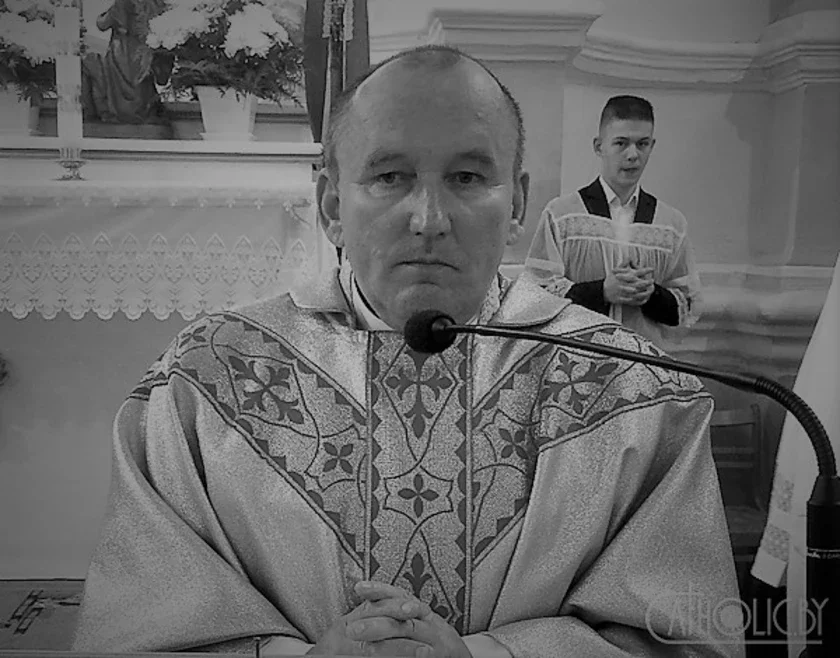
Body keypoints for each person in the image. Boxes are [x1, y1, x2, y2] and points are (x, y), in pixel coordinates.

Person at [72, 46, 741, 657]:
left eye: (468, 177)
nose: (429, 219)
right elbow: (144, 624)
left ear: (517, 205)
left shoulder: (628, 387)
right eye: (389, 176)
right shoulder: (206, 379)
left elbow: (684, 637)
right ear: (332, 205)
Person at [522, 95, 702, 348]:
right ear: (599, 147)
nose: (633, 155)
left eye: (642, 144)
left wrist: (651, 294)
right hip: (579, 359)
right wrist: (602, 291)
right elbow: (536, 298)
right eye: (621, 143)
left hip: (642, 361)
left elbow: (687, 306)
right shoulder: (563, 215)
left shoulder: (670, 225)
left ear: (652, 146)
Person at [81, 0, 172, 125]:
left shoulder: (121, 3)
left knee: (89, 63)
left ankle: (91, 116)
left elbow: (102, 24)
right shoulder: (157, 4)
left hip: (121, 54)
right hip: (144, 56)